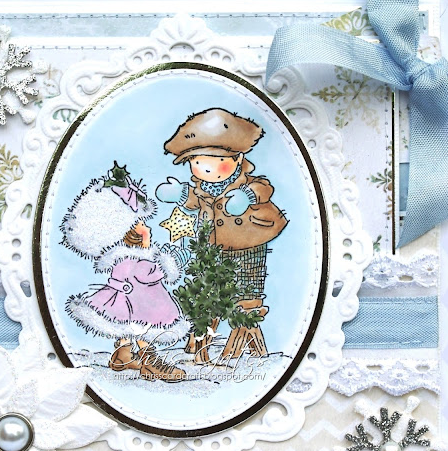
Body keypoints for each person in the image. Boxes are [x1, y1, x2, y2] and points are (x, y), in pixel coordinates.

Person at [156, 108, 288, 357]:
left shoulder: (247, 183)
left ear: (238, 159)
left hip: (246, 247)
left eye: (216, 162)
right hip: (213, 251)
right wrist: (180, 194)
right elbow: (195, 201)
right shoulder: (202, 189)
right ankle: (199, 340)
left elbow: (264, 188)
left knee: (244, 292)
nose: (206, 169)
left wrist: (246, 196)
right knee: (208, 293)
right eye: (197, 163)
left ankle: (237, 344)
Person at [61, 162, 189, 381]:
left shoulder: (119, 258)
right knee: (144, 327)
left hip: (124, 302)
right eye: (141, 224)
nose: (147, 227)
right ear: (132, 232)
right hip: (141, 305)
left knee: (127, 327)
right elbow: (152, 274)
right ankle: (151, 362)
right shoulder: (138, 260)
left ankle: (123, 355)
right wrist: (167, 261)